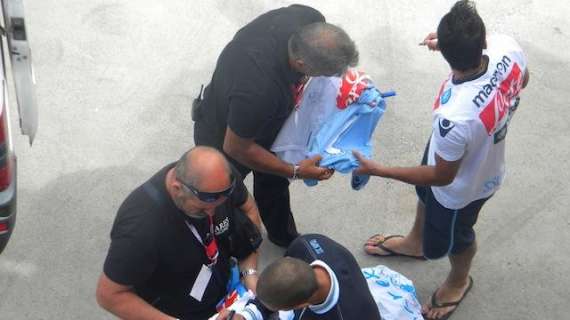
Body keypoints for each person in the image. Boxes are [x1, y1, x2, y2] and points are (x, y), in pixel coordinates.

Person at [354, 1, 530, 319]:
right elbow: (524, 79)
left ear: (449, 54)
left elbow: (440, 176)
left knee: (457, 236)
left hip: (464, 185)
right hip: (462, 150)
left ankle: (458, 281)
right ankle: (415, 241)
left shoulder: (455, 118)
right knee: (425, 196)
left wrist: (378, 169)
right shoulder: (507, 47)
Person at [193, 4, 359, 247]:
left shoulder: (308, 18)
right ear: (302, 63)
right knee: (221, 197)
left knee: (274, 182)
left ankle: (283, 235)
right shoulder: (259, 89)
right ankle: (229, 245)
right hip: (226, 136)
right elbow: (237, 147)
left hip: (265, 123)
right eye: (326, 72)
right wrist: (295, 170)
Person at [96, 146, 263, 320]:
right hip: (176, 310)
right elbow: (109, 295)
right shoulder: (140, 228)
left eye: (220, 204)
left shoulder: (220, 178)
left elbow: (249, 209)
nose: (213, 213)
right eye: (202, 209)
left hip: (222, 286)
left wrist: (249, 274)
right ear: (177, 188)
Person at [217, 234, 382, 320]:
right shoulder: (304, 244)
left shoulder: (354, 315)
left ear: (302, 305)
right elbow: (279, 289)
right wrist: (246, 316)